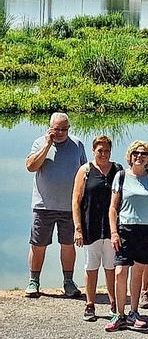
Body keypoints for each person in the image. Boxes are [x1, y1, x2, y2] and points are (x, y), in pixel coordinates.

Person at [24, 112, 87, 298]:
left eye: (64, 129)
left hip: (70, 206)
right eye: (57, 129)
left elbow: (84, 171)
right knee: (38, 244)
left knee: (68, 244)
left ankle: (68, 281)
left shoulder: (77, 144)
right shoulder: (39, 143)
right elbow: (30, 166)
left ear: (69, 128)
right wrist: (47, 145)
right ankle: (33, 281)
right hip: (43, 205)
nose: (60, 133)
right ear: (50, 127)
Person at [105, 141, 148, 332]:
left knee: (138, 273)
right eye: (136, 154)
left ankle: (133, 312)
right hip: (126, 229)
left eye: (144, 154)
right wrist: (114, 232)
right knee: (120, 272)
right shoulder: (121, 176)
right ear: (130, 156)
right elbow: (113, 208)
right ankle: (119, 314)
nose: (139, 157)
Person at [72, 135, 123, 321]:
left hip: (112, 229)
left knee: (111, 268)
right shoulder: (85, 170)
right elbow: (76, 201)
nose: (103, 154)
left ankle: (113, 304)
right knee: (91, 267)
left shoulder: (118, 170)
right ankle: (90, 304)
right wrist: (78, 228)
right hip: (89, 227)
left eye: (107, 150)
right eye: (100, 150)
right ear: (94, 150)